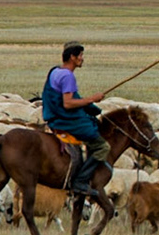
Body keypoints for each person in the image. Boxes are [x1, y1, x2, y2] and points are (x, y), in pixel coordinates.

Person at [42, 42, 110, 194]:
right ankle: (81, 180)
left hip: (53, 116)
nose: (82, 58)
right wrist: (92, 99)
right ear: (72, 57)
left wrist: (92, 108)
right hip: (64, 120)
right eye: (80, 55)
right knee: (102, 147)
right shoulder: (68, 76)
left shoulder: (55, 71)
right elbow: (68, 103)